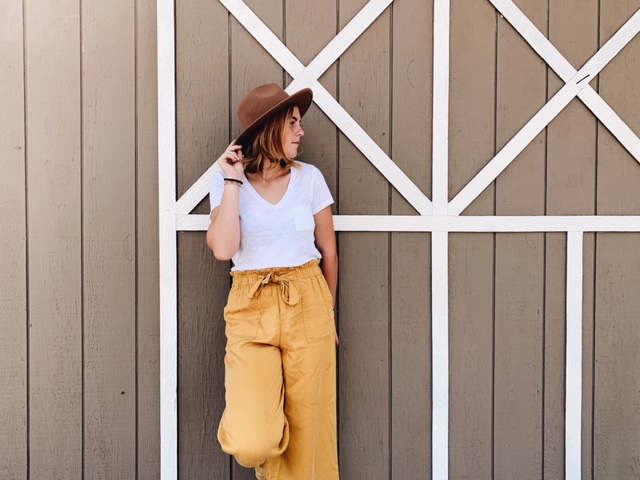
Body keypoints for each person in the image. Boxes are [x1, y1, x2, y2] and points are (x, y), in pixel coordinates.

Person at [207, 83, 339, 480]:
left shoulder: (310, 178)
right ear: (271, 128)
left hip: (309, 301)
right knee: (253, 440)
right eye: (293, 123)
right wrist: (231, 181)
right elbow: (223, 249)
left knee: (310, 435)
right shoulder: (227, 182)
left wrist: (328, 315)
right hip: (251, 304)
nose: (301, 132)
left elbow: (329, 253)